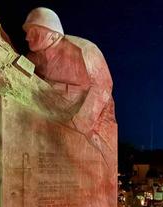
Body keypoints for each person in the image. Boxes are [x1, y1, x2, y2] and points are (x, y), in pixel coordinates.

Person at [22, 7, 116, 154]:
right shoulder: (33, 58)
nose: (28, 37)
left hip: (91, 125)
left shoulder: (83, 49)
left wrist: (80, 124)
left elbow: (103, 86)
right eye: (27, 33)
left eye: (34, 32)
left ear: (53, 35)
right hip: (51, 122)